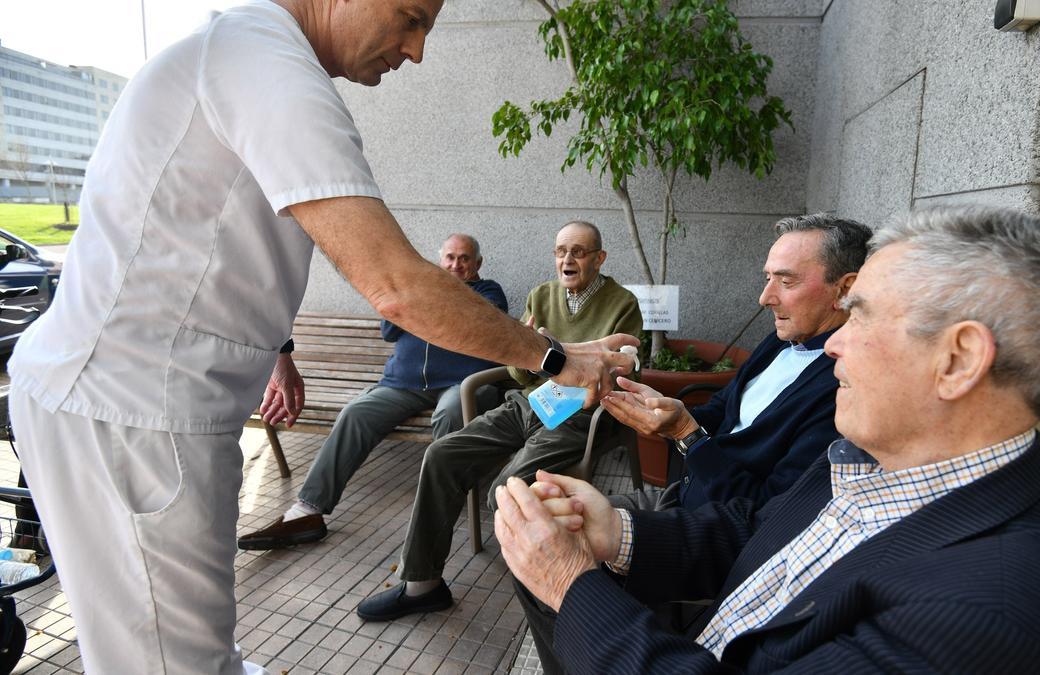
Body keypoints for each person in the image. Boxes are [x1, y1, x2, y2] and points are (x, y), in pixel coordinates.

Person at [5, 1, 635, 673]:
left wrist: (278, 354)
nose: (417, 50)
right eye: (410, 16)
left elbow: (209, 233)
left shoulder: (249, 56)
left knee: (191, 653)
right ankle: (391, 556)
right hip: (133, 417)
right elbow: (394, 283)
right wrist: (553, 358)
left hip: (143, 408)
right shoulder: (263, 58)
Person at [495, 206, 1040, 674]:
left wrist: (572, 583)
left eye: (862, 316)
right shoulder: (875, 459)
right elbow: (758, 534)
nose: (833, 341)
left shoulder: (990, 619)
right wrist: (616, 533)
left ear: (959, 359)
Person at [354, 220, 643, 622]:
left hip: (579, 415)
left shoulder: (622, 303)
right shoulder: (542, 296)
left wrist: (559, 358)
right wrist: (526, 355)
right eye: (561, 251)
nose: (567, 259)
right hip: (528, 405)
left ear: (599, 258)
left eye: (578, 251)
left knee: (503, 493)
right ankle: (423, 584)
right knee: (442, 455)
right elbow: (520, 373)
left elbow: (621, 373)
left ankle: (567, 592)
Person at [237, 234, 508, 550]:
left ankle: (442, 501)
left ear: (478, 264)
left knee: (449, 412)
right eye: (450, 257)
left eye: (464, 258)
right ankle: (308, 510)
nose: (456, 264)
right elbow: (389, 328)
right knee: (356, 413)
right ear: (440, 260)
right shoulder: (417, 289)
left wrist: (433, 296)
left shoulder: (489, 292)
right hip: (404, 385)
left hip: (460, 384)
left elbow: (481, 324)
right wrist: (420, 292)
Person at [602, 213, 871, 513]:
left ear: (845, 290)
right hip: (682, 497)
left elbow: (764, 512)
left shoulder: (843, 388)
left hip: (708, 534)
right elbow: (723, 409)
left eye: (786, 281)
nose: (764, 297)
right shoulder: (781, 340)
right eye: (768, 278)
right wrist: (665, 413)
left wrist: (687, 434)